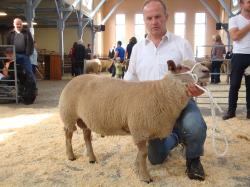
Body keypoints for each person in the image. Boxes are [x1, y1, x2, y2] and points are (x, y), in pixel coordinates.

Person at [124, 0, 207, 181]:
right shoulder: (138, 49)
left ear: (166, 17)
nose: (154, 21)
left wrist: (197, 90)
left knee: (195, 126)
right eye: (149, 18)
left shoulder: (181, 44)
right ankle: (176, 137)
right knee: (155, 158)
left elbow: (196, 75)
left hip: (181, 102)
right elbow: (130, 77)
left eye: (158, 17)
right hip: (152, 110)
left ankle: (193, 160)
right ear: (144, 20)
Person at [223, 0, 250, 120]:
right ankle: (231, 111)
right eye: (249, 2)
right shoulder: (234, 19)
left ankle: (249, 112)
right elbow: (235, 36)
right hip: (239, 55)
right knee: (234, 85)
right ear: (241, 4)